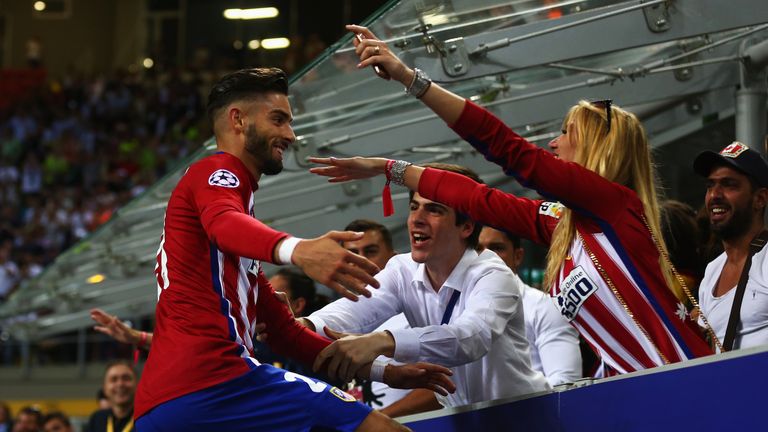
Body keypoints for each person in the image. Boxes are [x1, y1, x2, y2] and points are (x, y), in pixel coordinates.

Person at [309, 25, 713, 376]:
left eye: (567, 132)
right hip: (638, 392)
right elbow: (480, 199)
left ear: (598, 148)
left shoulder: (614, 205)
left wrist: (411, 80)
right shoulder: (564, 225)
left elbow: (508, 150)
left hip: (687, 382)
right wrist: (390, 168)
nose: (554, 142)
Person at [134, 67, 454, 432]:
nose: (290, 134)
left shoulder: (231, 248)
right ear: (237, 120)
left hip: (164, 406)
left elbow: (286, 332)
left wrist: (384, 371)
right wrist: (297, 250)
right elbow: (224, 223)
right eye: (279, 119)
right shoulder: (218, 172)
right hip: (215, 383)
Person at [302, 163, 550, 415]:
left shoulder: (492, 274)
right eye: (414, 207)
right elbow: (350, 313)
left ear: (467, 226)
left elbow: (471, 338)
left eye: (434, 210)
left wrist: (383, 341)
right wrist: (304, 325)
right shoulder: (402, 269)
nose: (417, 220)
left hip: (527, 417)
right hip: (462, 420)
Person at [478, 226, 582, 386]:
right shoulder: (456, 304)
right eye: (478, 249)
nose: (485, 257)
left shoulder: (544, 307)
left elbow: (565, 383)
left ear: (518, 256)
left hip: (533, 409)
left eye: (497, 248)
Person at [693, 142, 768, 351]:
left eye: (729, 185)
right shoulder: (712, 272)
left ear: (760, 199)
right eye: (710, 185)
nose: (715, 195)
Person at [86, 360, 136, 432]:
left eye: (126, 378)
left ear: (137, 385)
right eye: (113, 379)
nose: (120, 384)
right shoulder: (97, 420)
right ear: (105, 388)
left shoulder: (149, 421)